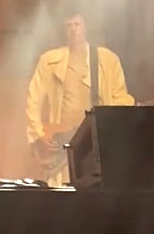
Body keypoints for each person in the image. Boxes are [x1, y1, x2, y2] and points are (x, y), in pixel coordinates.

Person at [24, 13, 135, 185]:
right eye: (69, 25)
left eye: (77, 24)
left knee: (96, 191)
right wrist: (39, 134)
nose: (73, 30)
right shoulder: (49, 60)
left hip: (94, 144)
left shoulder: (107, 60)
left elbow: (119, 100)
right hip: (61, 144)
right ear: (63, 29)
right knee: (61, 196)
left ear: (86, 27)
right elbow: (33, 100)